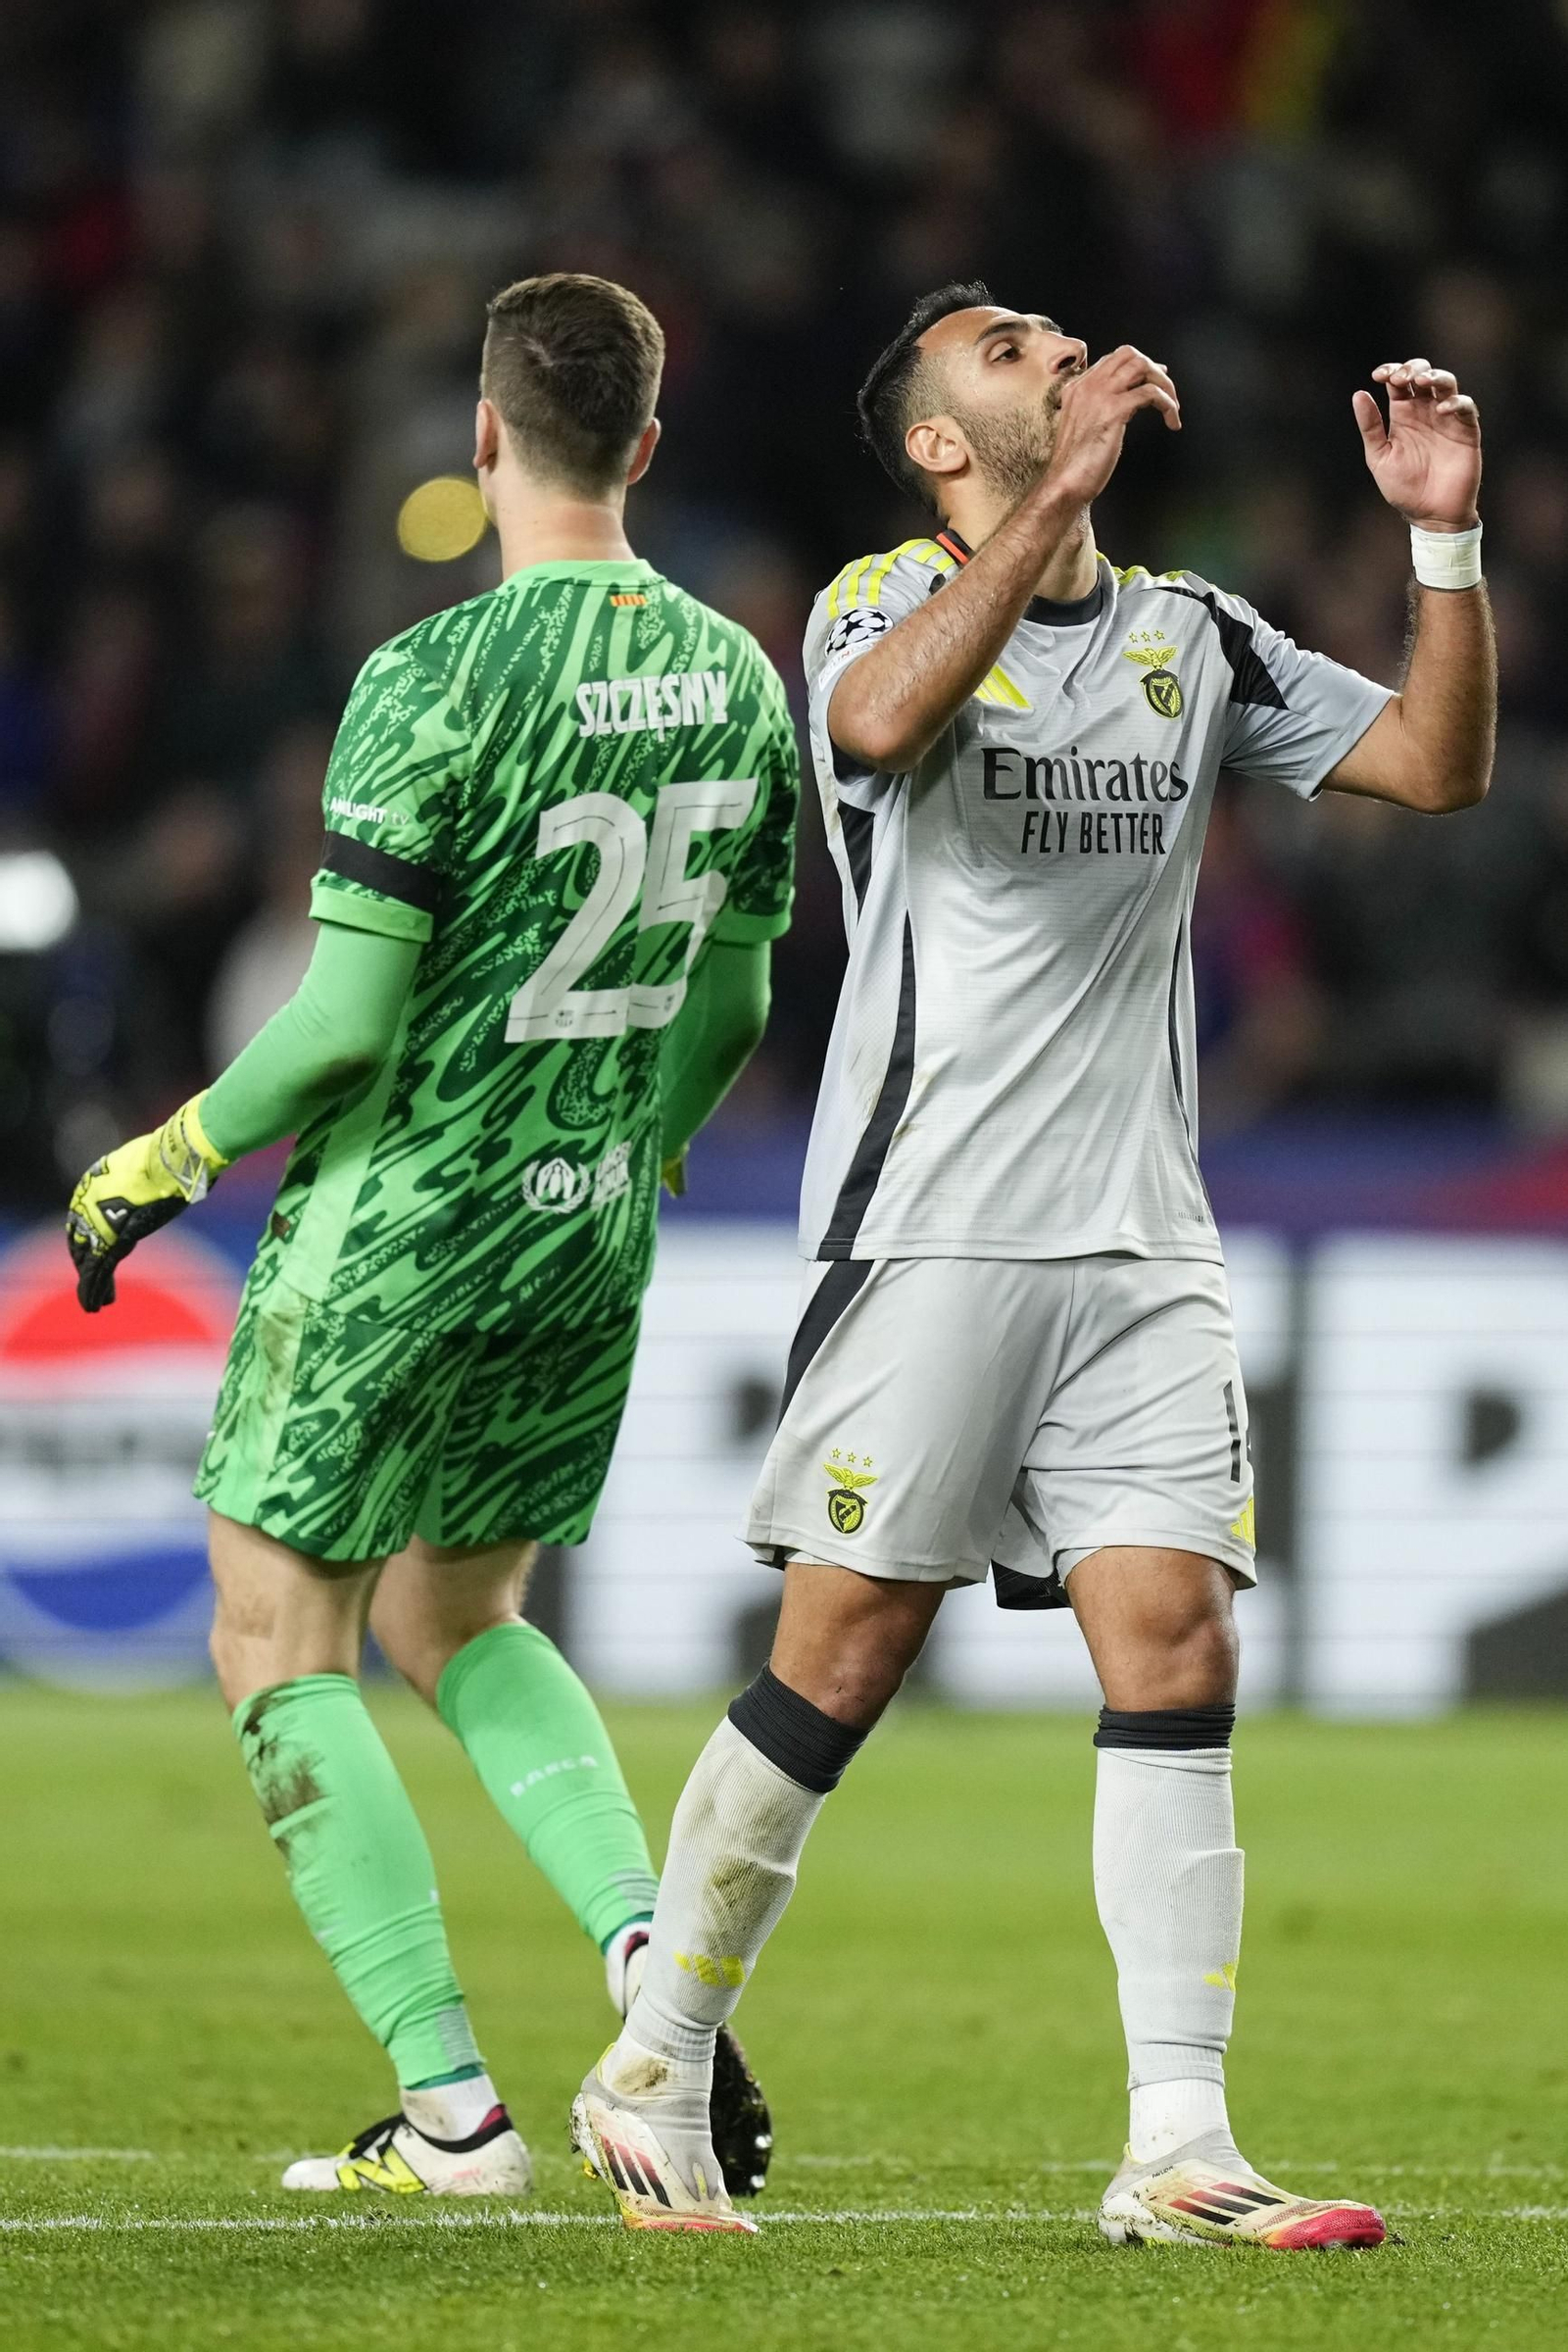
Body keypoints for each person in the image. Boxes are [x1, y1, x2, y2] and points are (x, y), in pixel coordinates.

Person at [572, 282, 1494, 2243]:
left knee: (1173, 1644)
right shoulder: (869, 601)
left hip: (1140, 1235)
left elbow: (1432, 763)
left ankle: (1175, 2141)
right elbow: (877, 723)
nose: (1052, 355)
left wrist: (1439, 540)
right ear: (934, 440)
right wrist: (1054, 496)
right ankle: (655, 2054)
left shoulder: (1191, 636)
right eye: (1003, 351)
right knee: (845, 1655)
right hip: (933, 1222)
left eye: (1055, 339)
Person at [66, 271, 798, 2200]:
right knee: (455, 1612)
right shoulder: (738, 674)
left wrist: (164, 1155)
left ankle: (453, 2112)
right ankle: (656, 1974)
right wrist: (631, 1155)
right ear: (639, 446)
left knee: (272, 1630)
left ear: (481, 440)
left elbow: (346, 1022)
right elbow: (731, 1004)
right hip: (586, 1228)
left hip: (400, 1227)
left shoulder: (428, 681)